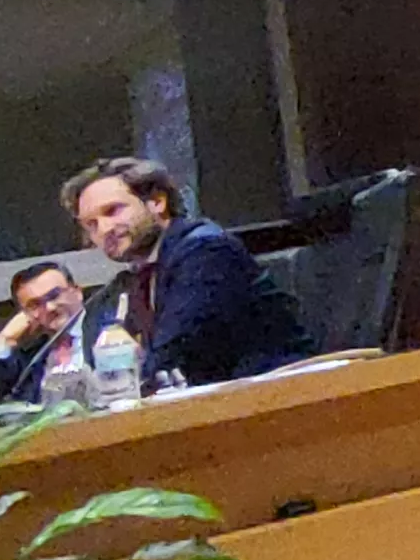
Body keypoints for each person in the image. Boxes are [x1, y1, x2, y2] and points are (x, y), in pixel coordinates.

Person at [62, 156, 312, 388]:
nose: (104, 229)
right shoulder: (131, 282)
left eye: (113, 211)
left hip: (278, 400)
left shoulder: (206, 251)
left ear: (157, 203)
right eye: (91, 225)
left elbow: (172, 353)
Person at [0, 258, 91, 407]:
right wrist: (4, 340)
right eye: (35, 305)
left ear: (77, 292)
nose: (49, 308)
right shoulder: (31, 358)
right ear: (24, 314)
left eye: (55, 295)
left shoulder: (106, 329)